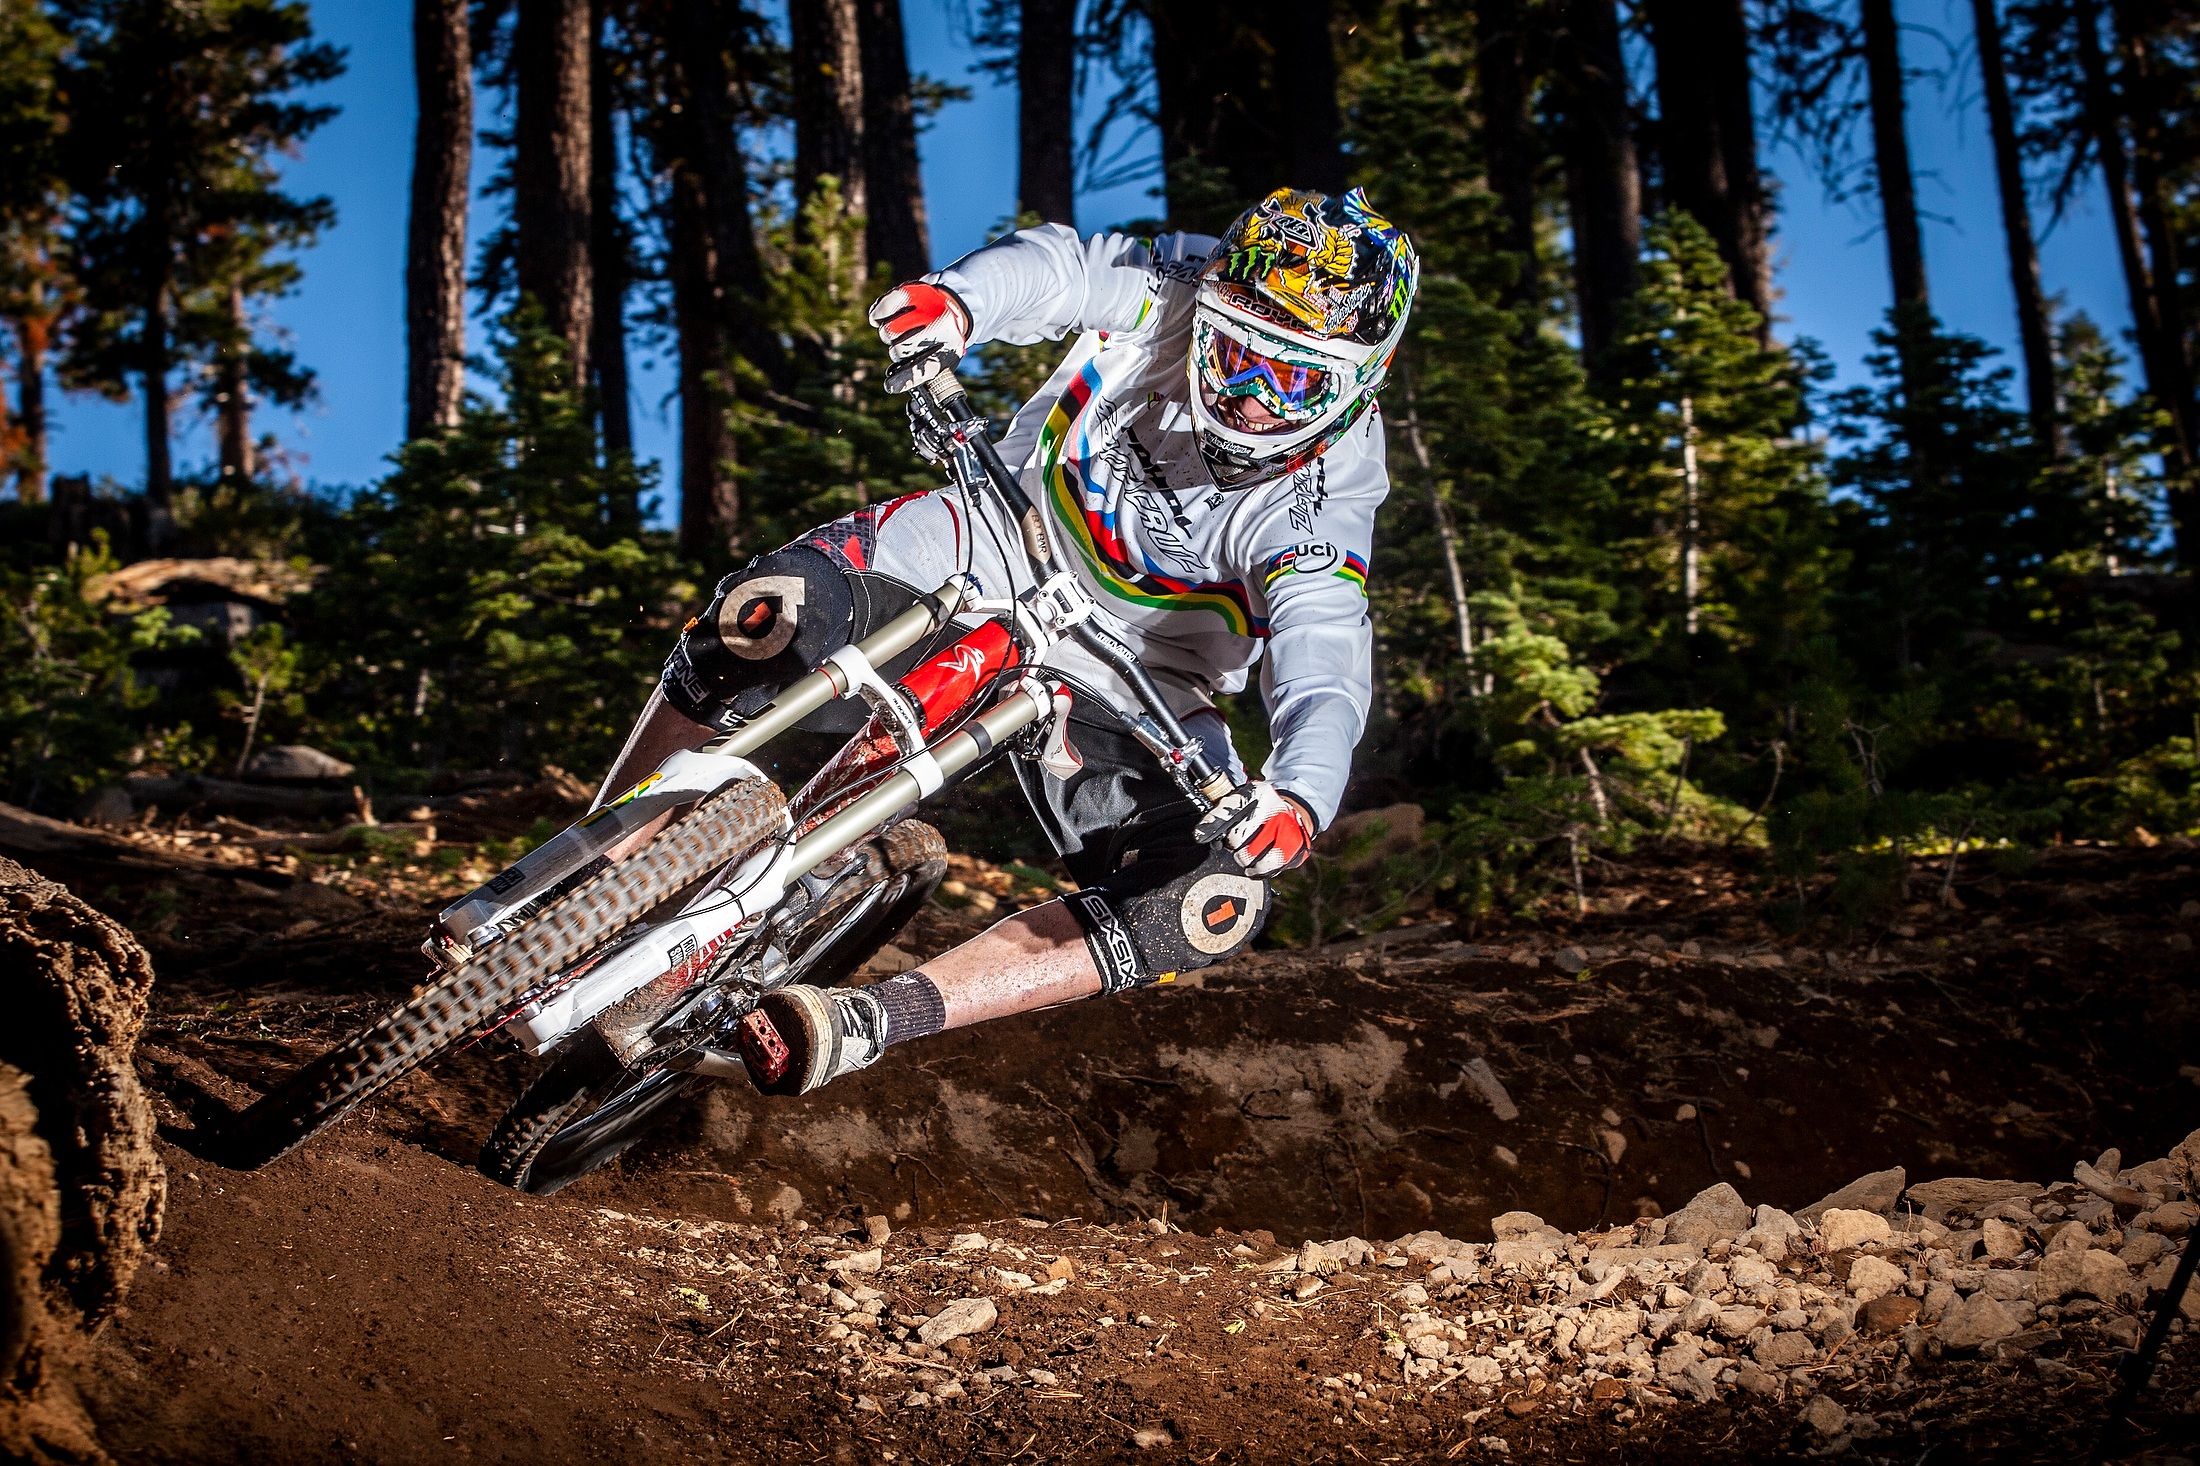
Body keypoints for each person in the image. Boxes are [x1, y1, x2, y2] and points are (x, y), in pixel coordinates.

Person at [598, 186, 1420, 1093]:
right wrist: (959, 302)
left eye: (1295, 379)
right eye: (1231, 355)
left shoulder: (1327, 503)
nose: (1251, 400)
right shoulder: (1180, 279)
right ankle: (596, 857)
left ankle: (869, 1019)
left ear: (1363, 378)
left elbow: (1324, 657)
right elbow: (1063, 269)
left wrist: (1298, 796)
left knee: (1209, 902)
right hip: (992, 539)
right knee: (760, 617)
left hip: (1140, 673)